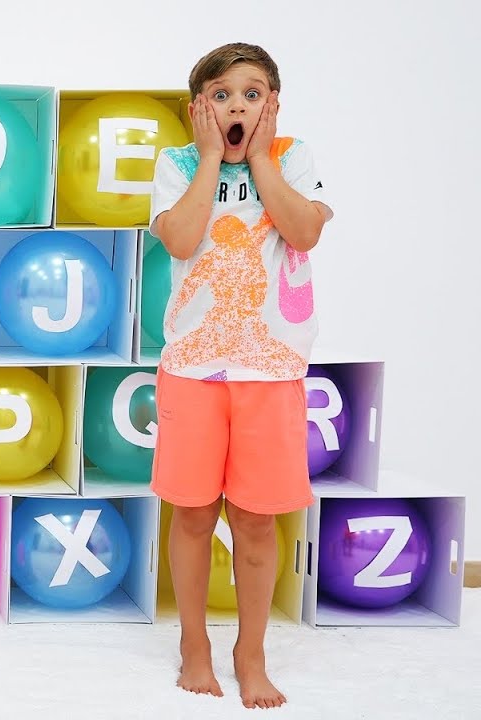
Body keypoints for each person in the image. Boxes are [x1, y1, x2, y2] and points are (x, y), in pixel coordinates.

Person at [148, 42, 333, 709]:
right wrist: (207, 160)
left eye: (253, 94)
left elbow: (305, 231)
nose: (238, 106)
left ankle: (249, 651)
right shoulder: (174, 166)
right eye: (222, 94)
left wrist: (259, 157)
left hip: (270, 370)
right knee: (193, 512)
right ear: (198, 109)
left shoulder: (292, 159)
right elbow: (181, 238)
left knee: (256, 520)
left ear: (273, 105)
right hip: (193, 370)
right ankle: (193, 643)